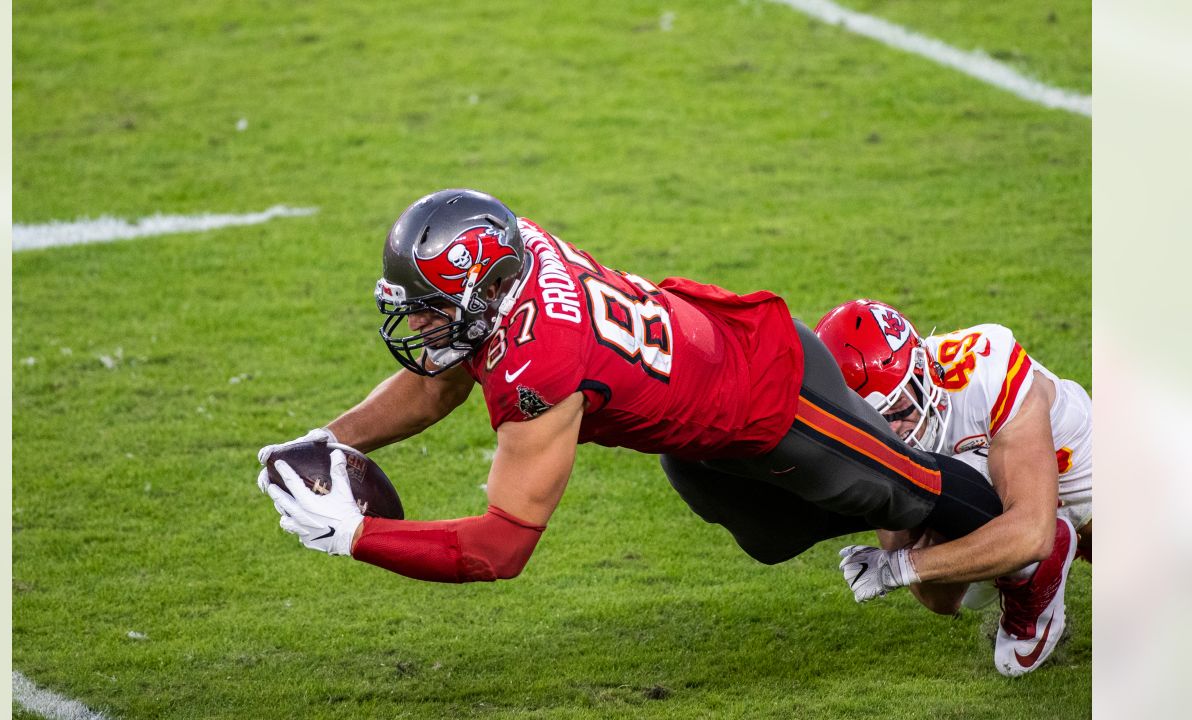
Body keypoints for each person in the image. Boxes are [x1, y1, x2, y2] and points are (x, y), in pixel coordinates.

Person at [255, 188, 1004, 603]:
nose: (418, 323)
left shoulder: (537, 366)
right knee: (771, 538)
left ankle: (1037, 545)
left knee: (912, 492)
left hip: (771, 392)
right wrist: (331, 440)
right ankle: (929, 502)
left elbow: (501, 546)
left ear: (487, 290)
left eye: (429, 306)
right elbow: (439, 382)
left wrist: (358, 536)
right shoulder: (515, 254)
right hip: (700, 422)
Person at [814, 298, 1093, 676]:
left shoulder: (988, 375)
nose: (893, 429)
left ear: (921, 370)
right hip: (996, 480)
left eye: (897, 408)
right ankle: (1018, 574)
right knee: (946, 590)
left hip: (1081, 473)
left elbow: (1032, 534)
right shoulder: (872, 437)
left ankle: (1029, 577)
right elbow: (939, 600)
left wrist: (897, 568)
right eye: (875, 421)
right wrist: (914, 563)